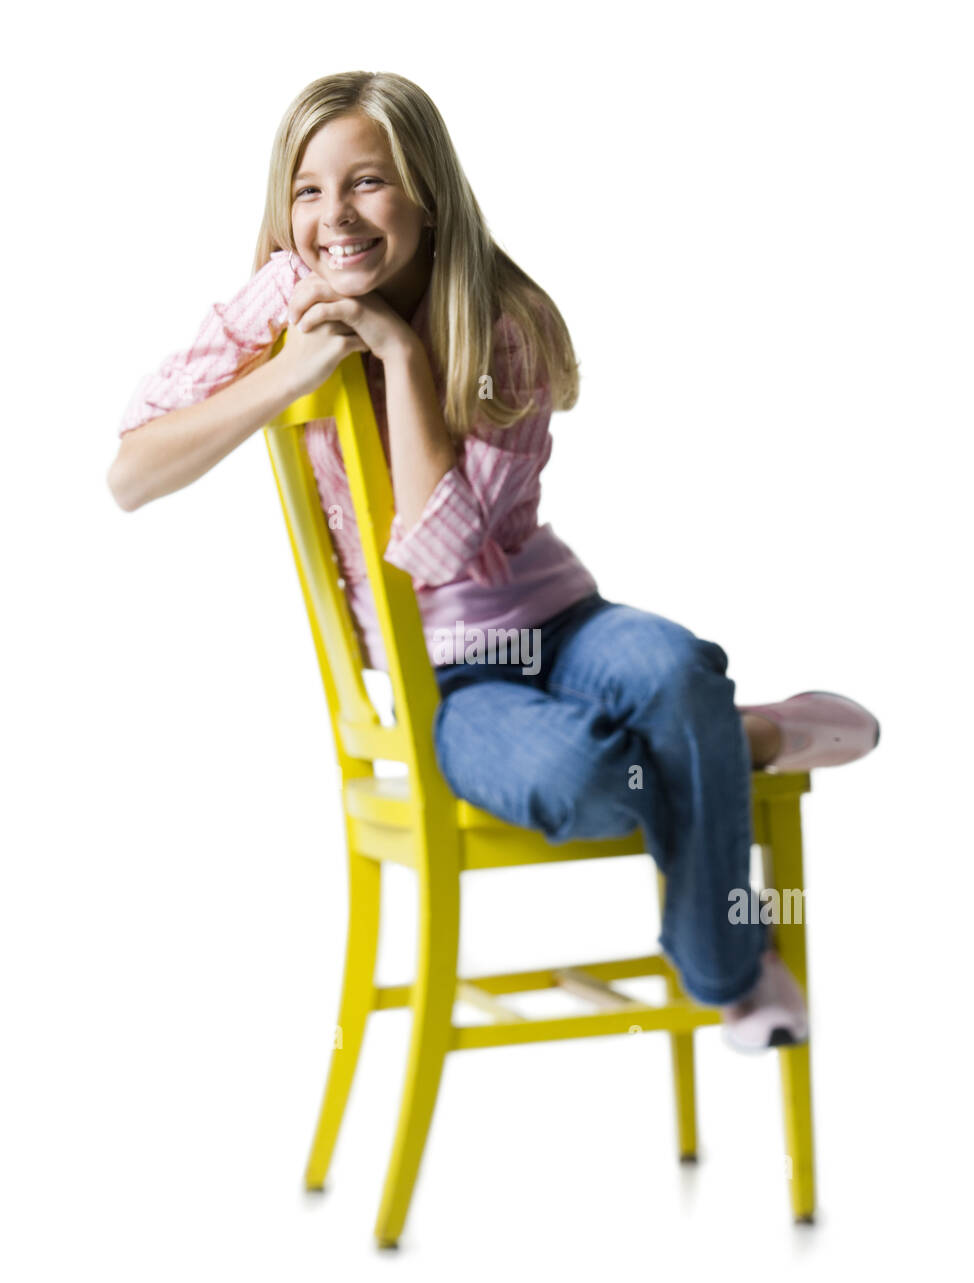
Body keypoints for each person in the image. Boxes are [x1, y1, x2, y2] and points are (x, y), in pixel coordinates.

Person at [108, 71, 880, 1053]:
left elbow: (436, 549)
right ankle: (728, 741)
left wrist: (396, 350)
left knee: (674, 665)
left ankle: (728, 961)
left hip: (555, 629)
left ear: (425, 192)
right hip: (453, 680)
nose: (333, 215)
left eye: (367, 182)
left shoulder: (501, 319)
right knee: (581, 781)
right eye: (308, 189)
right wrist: (291, 375)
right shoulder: (285, 299)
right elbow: (131, 467)